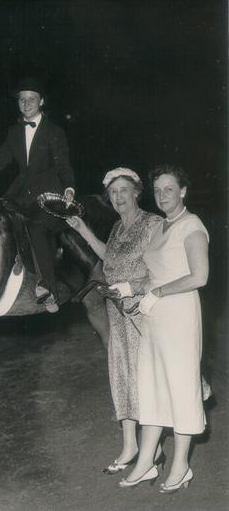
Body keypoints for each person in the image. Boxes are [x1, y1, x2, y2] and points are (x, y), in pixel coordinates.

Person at [66, 167, 163, 475]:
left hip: (143, 310)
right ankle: (130, 445)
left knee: (145, 377)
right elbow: (109, 257)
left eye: (124, 190)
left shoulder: (153, 223)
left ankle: (152, 450)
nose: (119, 197)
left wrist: (136, 291)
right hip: (116, 311)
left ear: (137, 191)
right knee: (121, 374)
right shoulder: (117, 229)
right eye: (114, 193)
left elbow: (163, 269)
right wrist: (82, 229)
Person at [118, 165, 209, 492]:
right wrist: (131, 287)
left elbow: (199, 276)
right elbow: (156, 274)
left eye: (169, 189)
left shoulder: (192, 225)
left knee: (181, 388)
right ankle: (145, 461)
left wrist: (156, 293)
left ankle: (181, 464)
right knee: (151, 387)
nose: (162, 195)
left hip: (179, 316)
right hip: (153, 316)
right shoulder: (159, 228)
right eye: (157, 191)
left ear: (182, 191)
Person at [0, 77, 75, 313]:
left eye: (31, 99)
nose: (26, 103)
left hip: (49, 196)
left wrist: (69, 188)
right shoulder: (14, 132)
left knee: (36, 229)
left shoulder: (54, 131)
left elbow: (63, 165)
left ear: (41, 101)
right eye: (21, 100)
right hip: (21, 194)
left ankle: (48, 288)